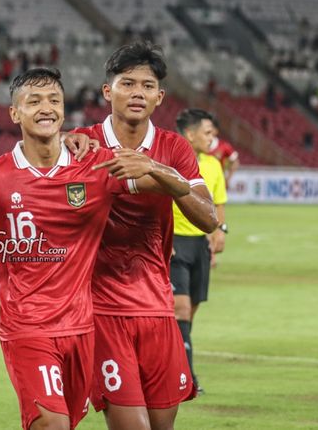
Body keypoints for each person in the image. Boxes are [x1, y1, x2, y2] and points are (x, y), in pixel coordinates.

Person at [0, 67, 191, 430]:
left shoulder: (96, 166)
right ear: (14, 113)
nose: (46, 107)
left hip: (81, 329)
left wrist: (162, 172)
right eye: (34, 101)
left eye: (54, 100)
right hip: (27, 326)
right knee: (51, 425)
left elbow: (175, 195)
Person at [71, 41, 218, 430]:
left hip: (157, 306)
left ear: (159, 96)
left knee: (161, 426)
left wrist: (155, 170)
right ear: (108, 91)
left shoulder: (173, 148)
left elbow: (207, 218)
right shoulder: (80, 144)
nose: (137, 93)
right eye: (127, 83)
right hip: (102, 310)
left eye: (147, 86)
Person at [171, 108, 228, 395]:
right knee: (179, 309)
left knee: (188, 315)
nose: (212, 138)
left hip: (199, 246)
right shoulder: (169, 160)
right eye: (207, 133)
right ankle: (187, 378)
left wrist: (220, 231)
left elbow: (218, 203)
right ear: (190, 134)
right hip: (173, 242)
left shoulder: (214, 165)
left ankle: (174, 366)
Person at [208, 118, 240, 188]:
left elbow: (235, 162)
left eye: (210, 128)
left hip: (218, 183)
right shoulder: (197, 145)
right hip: (201, 182)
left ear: (216, 131)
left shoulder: (224, 146)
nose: (207, 131)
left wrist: (228, 178)